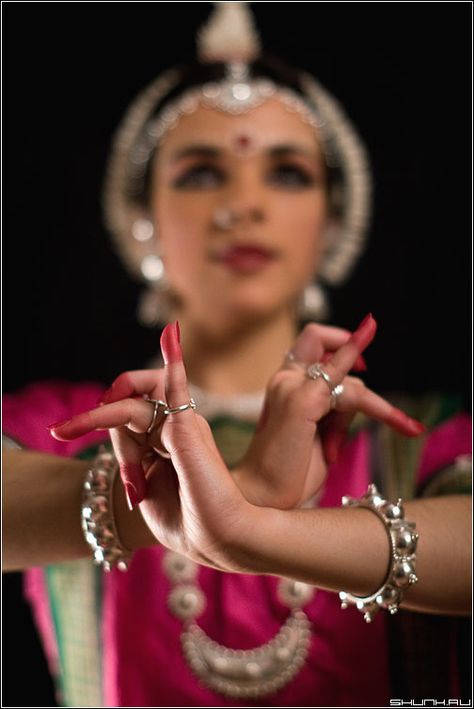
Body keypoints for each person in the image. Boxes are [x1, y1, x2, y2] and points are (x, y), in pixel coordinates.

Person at [3, 3, 471, 707]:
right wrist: (200, 500)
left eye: (286, 174)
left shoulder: (418, 439)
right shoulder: (70, 421)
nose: (242, 204)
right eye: (198, 174)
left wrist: (249, 525)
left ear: (333, 221)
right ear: (143, 220)